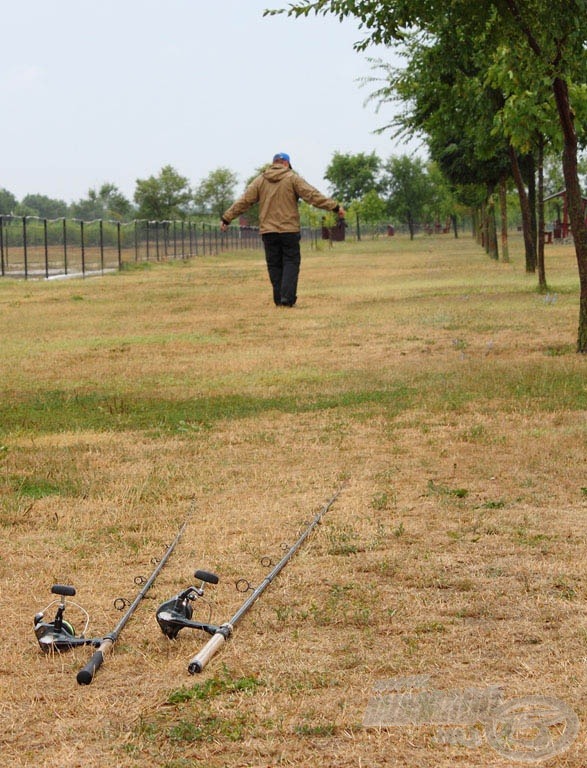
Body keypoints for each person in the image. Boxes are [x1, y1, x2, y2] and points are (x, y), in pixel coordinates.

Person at [220, 152, 345, 307]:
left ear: (274, 163)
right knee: (291, 262)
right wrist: (334, 207)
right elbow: (312, 195)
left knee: (274, 265)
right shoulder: (292, 178)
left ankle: (279, 299)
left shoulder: (260, 180)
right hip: (289, 230)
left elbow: (244, 201)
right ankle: (286, 298)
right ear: (286, 164)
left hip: (268, 232)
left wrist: (227, 218)